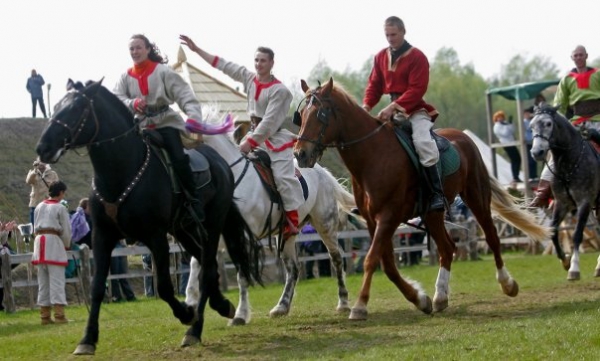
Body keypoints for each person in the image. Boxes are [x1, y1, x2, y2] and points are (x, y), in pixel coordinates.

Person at [180, 34, 302, 237]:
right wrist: (197, 50)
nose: (259, 64)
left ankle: (291, 221)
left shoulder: (280, 91)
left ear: (272, 63)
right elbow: (223, 65)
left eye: (263, 60)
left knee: (281, 178)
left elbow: (270, 122)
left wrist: (248, 143)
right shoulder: (248, 78)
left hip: (274, 139)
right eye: (256, 60)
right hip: (253, 135)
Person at [113, 34, 205, 224]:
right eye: (132, 49)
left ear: (148, 49)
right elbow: (116, 99)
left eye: (138, 47)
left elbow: (185, 96)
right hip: (139, 127)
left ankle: (193, 200)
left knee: (178, 158)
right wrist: (132, 102)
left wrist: (194, 119)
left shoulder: (163, 71)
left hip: (165, 123)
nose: (135, 52)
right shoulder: (124, 77)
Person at [361, 16, 443, 212]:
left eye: (394, 34)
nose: (390, 38)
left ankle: (436, 194)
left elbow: (417, 89)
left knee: (423, 142)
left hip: (416, 110)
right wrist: (366, 106)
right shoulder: (380, 56)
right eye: (387, 35)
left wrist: (394, 107)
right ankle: (370, 196)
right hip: (391, 110)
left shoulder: (418, 57)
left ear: (403, 32)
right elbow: (374, 85)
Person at [530, 45, 600, 208]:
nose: (578, 57)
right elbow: (559, 106)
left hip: (598, 120)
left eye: (581, 55)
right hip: (577, 123)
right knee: (556, 155)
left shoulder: (597, 74)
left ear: (586, 56)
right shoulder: (567, 79)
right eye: (575, 55)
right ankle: (542, 193)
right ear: (572, 58)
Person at [31, 181, 72, 325]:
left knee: (43, 282)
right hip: (53, 242)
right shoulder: (60, 208)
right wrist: (66, 245)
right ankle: (59, 316)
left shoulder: (39, 206)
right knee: (57, 280)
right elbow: (66, 229)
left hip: (39, 241)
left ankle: (45, 316)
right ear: (61, 192)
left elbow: (35, 226)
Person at [26, 160, 59, 227]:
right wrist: (35, 170)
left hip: (47, 204)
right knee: (33, 226)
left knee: (46, 225)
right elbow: (29, 181)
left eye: (42, 161)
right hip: (35, 203)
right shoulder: (32, 173)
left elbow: (57, 187)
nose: (40, 163)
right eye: (39, 161)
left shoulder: (53, 174)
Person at [492, 110, 522, 183]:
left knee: (517, 159)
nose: (501, 118)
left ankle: (516, 176)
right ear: (496, 118)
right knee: (515, 159)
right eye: (499, 117)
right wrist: (507, 126)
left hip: (511, 143)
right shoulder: (497, 126)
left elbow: (512, 130)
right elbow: (505, 133)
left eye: (502, 117)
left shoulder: (505, 124)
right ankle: (515, 177)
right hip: (506, 144)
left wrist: (510, 123)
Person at [522, 106, 538, 181]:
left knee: (534, 159)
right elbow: (529, 128)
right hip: (527, 142)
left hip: (533, 142)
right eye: (527, 114)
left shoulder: (531, 120)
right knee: (529, 160)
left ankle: (534, 175)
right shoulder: (524, 122)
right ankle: (530, 176)